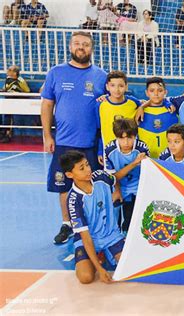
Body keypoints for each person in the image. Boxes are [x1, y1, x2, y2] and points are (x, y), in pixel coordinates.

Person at [41, 31, 107, 245]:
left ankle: (91, 223)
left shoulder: (101, 76)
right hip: (63, 143)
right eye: (77, 43)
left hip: (91, 143)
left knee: (92, 186)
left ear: (92, 48)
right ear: (70, 47)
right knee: (64, 187)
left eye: (86, 44)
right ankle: (67, 224)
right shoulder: (56, 72)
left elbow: (113, 99)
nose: (81, 47)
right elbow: (47, 105)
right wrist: (47, 135)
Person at [60, 150, 124, 284]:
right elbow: (86, 236)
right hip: (89, 239)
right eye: (82, 168)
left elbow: (116, 177)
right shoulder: (73, 200)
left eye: (87, 164)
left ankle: (105, 252)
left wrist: (135, 163)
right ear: (69, 174)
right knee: (86, 278)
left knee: (129, 266)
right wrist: (99, 269)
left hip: (110, 235)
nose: (88, 170)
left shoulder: (100, 176)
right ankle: (95, 256)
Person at [104, 118, 149, 234]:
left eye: (130, 137)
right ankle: (116, 236)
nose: (126, 142)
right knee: (114, 214)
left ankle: (127, 231)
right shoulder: (109, 150)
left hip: (136, 187)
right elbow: (112, 177)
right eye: (122, 138)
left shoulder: (142, 148)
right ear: (116, 137)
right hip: (118, 186)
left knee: (132, 219)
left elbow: (147, 173)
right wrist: (117, 191)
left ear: (135, 136)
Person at [96, 70, 140, 157]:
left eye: (121, 86)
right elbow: (99, 130)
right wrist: (100, 151)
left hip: (131, 151)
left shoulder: (134, 102)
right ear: (107, 87)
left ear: (126, 87)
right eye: (112, 85)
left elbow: (151, 103)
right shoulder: (100, 105)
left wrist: (142, 107)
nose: (117, 89)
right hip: (109, 151)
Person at [138, 77, 179, 159]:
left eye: (160, 91)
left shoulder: (172, 110)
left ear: (165, 92)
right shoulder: (139, 111)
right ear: (147, 93)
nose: (156, 94)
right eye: (152, 91)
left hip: (168, 159)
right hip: (146, 160)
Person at [0, 65, 31, 143]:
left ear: (15, 72)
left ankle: (8, 134)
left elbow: (27, 91)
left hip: (17, 102)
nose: (7, 71)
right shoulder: (7, 79)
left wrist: (18, 95)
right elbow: (5, 89)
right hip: (8, 100)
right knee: (5, 114)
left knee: (9, 115)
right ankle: (3, 132)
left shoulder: (21, 80)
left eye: (9, 70)